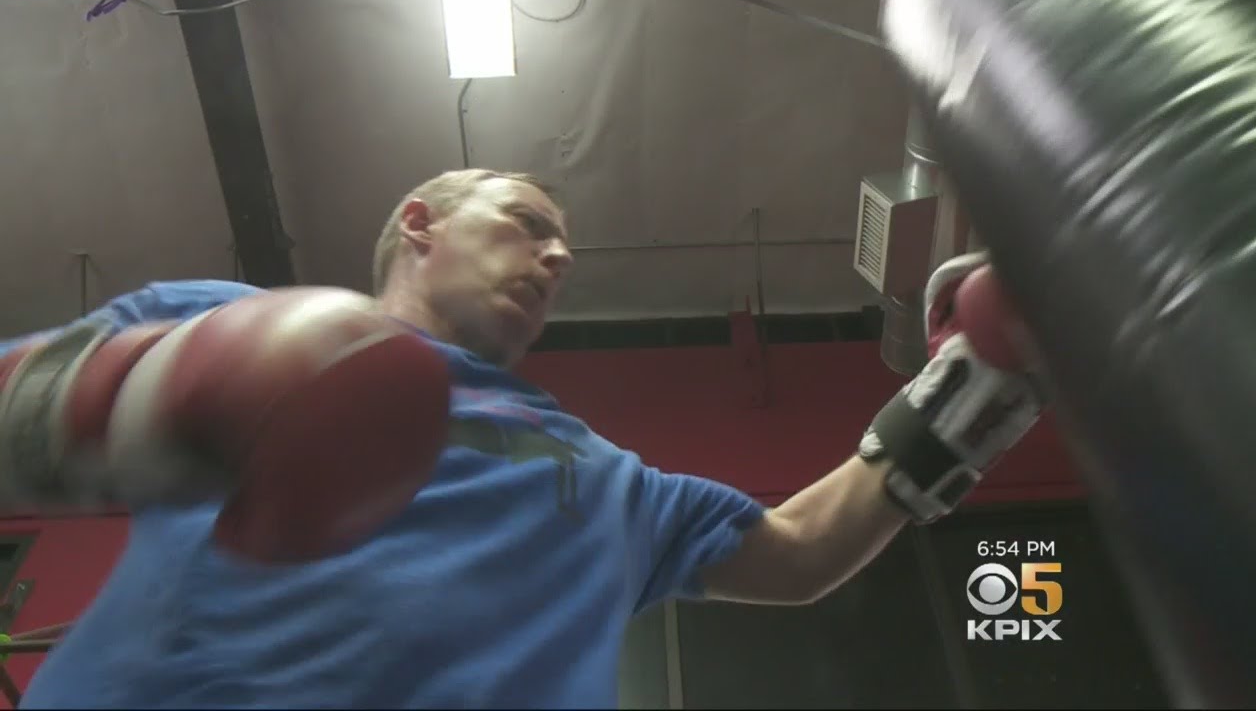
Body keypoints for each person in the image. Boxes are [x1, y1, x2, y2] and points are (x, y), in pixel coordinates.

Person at [3, 169, 1042, 708]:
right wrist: (149, 395)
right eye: (524, 223)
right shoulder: (223, 321)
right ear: (420, 224)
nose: (557, 255)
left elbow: (805, 550)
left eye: (562, 249)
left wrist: (979, 373)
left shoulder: (598, 479)